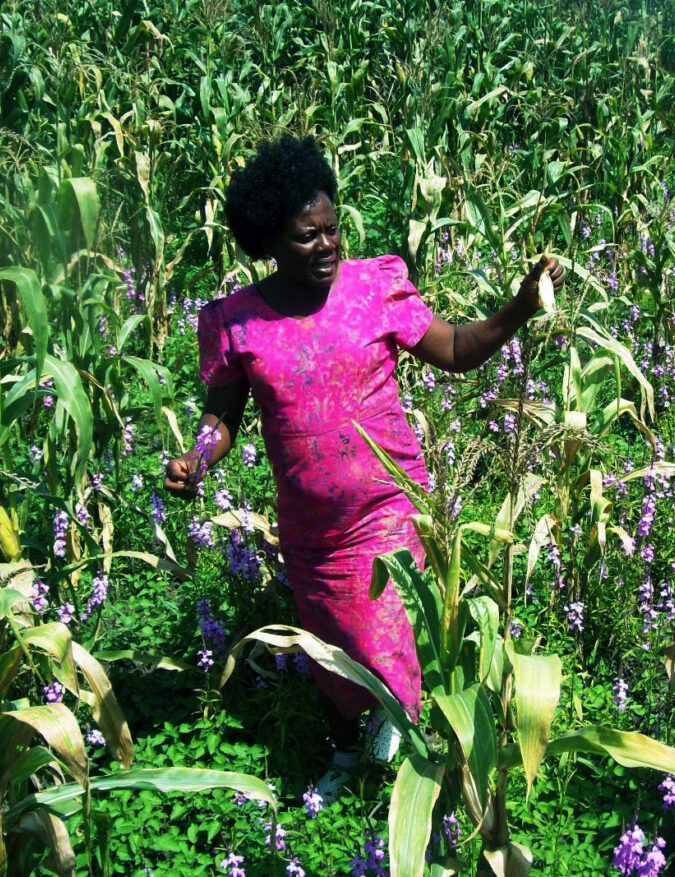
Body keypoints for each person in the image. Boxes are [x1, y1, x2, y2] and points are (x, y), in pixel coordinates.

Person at [164, 134, 564, 792]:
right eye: (306, 236)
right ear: (269, 241)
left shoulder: (373, 288)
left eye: (332, 230)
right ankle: (350, 756)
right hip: (311, 530)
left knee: (382, 640)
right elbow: (222, 415)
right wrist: (197, 457)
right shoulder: (240, 323)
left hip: (389, 507)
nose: (326, 245)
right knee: (333, 653)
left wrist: (521, 304)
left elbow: (459, 350)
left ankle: (408, 774)